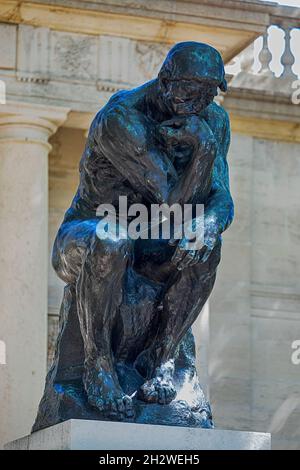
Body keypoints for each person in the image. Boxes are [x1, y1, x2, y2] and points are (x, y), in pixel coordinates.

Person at [51, 41, 234, 419]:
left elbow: (221, 199)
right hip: (89, 232)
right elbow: (170, 204)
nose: (197, 100)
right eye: (187, 88)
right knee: (113, 238)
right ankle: (98, 364)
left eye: (207, 92)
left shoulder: (213, 120)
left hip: (151, 236)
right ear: (164, 80)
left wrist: (209, 224)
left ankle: (163, 357)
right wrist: (202, 153)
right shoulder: (123, 118)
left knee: (206, 246)